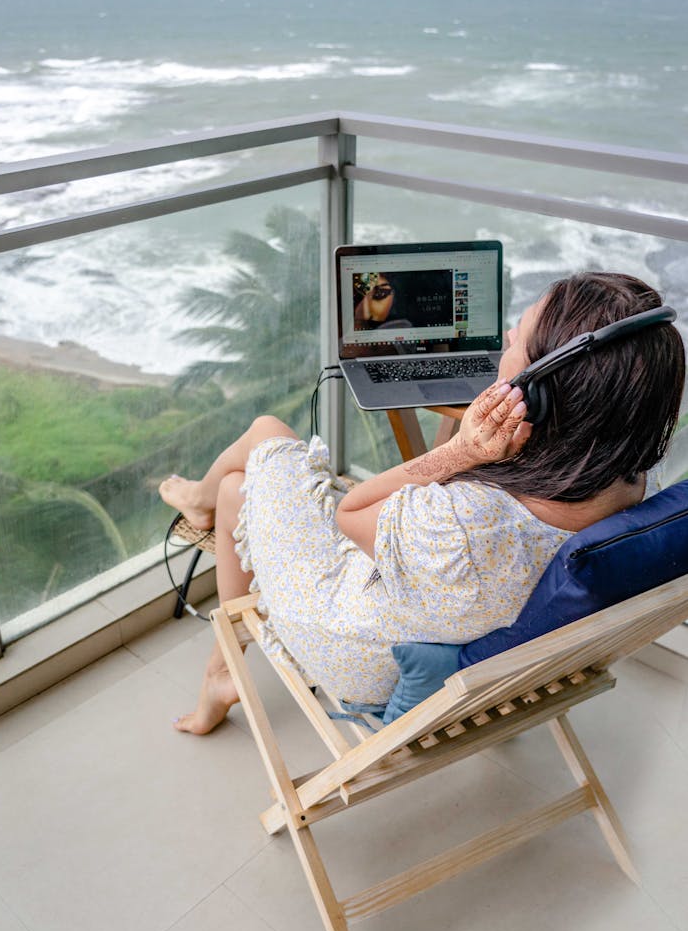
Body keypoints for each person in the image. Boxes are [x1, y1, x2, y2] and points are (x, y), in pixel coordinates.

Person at [160, 272, 685, 735]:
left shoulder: (464, 528)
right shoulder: (629, 484)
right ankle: (222, 667)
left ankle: (199, 506)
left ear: (540, 392)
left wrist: (460, 450)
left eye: (515, 337)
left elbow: (350, 516)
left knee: (265, 433)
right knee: (240, 492)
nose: (504, 339)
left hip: (356, 648)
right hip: (444, 623)